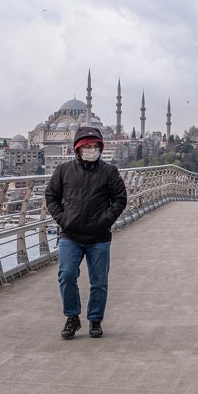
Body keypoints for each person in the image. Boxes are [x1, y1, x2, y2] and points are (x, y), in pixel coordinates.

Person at [45, 126, 128, 340]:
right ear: (78, 148)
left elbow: (120, 198)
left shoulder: (109, 171)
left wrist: (106, 220)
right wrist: (63, 219)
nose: (92, 150)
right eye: (87, 146)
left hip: (99, 236)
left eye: (95, 146)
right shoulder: (64, 170)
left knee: (99, 281)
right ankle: (72, 317)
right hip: (70, 235)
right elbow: (51, 196)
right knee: (66, 275)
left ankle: (95, 319)